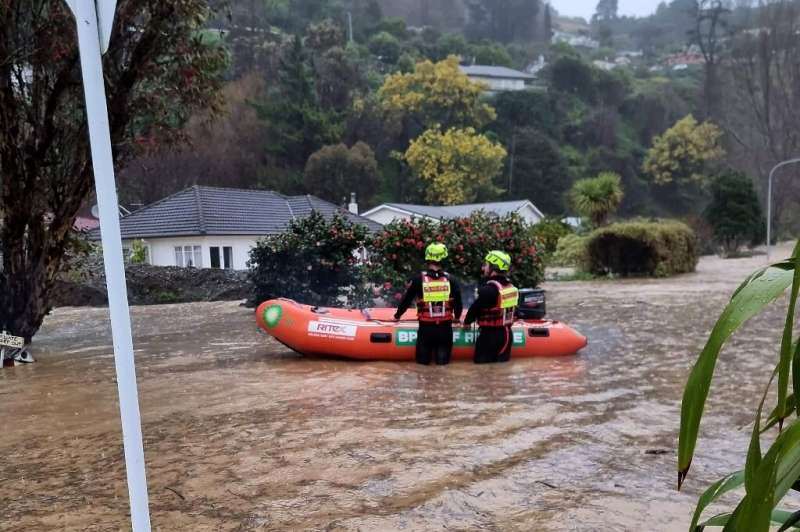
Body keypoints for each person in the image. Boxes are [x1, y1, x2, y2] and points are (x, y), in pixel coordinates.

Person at [394, 243, 463, 366]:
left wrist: (397, 315)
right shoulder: (451, 280)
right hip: (445, 329)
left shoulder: (418, 279)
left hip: (426, 329)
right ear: (443, 258)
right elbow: (458, 303)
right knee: (443, 367)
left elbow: (406, 300)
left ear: (428, 257)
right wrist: (457, 317)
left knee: (422, 368)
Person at [464, 250, 519, 364]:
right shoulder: (511, 287)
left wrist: (467, 322)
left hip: (489, 336)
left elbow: (475, 308)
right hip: (507, 335)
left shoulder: (489, 290)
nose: (483, 268)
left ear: (493, 269)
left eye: (486, 265)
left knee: (482, 372)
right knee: (500, 372)